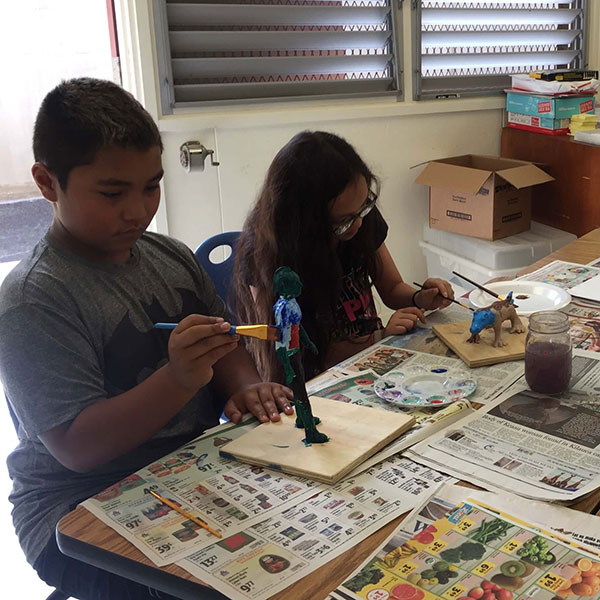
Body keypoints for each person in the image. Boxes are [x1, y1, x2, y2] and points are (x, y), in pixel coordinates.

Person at [0, 77, 294, 600]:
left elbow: (223, 343)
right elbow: (78, 448)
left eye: (151, 186)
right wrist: (178, 379)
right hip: (76, 507)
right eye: (112, 193)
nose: (138, 210)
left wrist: (245, 386)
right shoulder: (33, 300)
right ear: (47, 183)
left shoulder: (170, 256)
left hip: (188, 468)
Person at [234, 130, 454, 381]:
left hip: (371, 359)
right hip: (316, 380)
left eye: (363, 208)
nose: (358, 224)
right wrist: (378, 340)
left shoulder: (356, 217)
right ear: (306, 224)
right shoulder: (267, 255)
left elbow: (392, 287)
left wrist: (419, 298)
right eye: (343, 221)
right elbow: (292, 351)